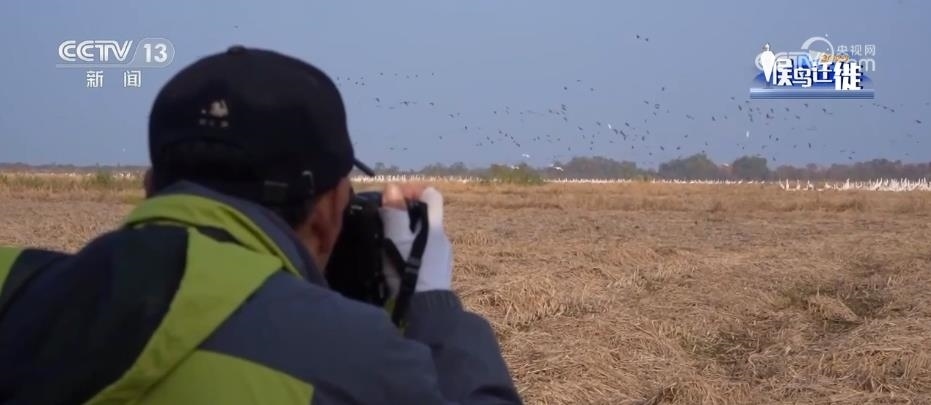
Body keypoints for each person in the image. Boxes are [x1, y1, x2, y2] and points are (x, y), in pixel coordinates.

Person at [0, 46, 522, 404]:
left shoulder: (11, 284)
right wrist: (428, 300)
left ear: (151, 186)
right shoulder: (356, 356)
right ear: (328, 212)